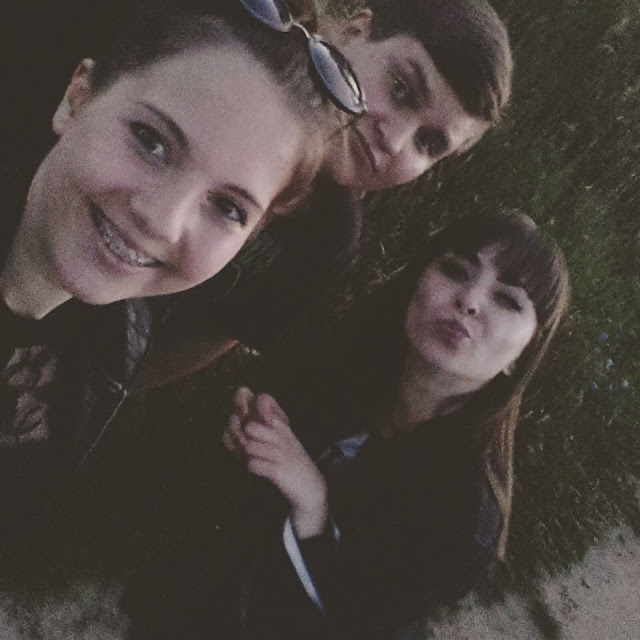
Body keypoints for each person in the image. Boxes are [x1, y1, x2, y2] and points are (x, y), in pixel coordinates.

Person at [0, 4, 349, 546]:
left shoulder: (111, 344)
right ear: (77, 97)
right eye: (151, 140)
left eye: (228, 207)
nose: (163, 221)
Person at [220, 211, 570, 639]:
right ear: (417, 280)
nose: (470, 300)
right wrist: (255, 429)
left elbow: (359, 623)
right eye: (456, 270)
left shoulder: (464, 521)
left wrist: (314, 505)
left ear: (523, 354)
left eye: (508, 300)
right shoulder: (343, 363)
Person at [133, 0, 514, 387]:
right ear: (355, 32)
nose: (395, 141)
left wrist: (114, 385)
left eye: (428, 143)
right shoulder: (217, 57)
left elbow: (214, 335)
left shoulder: (330, 234)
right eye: (400, 89)